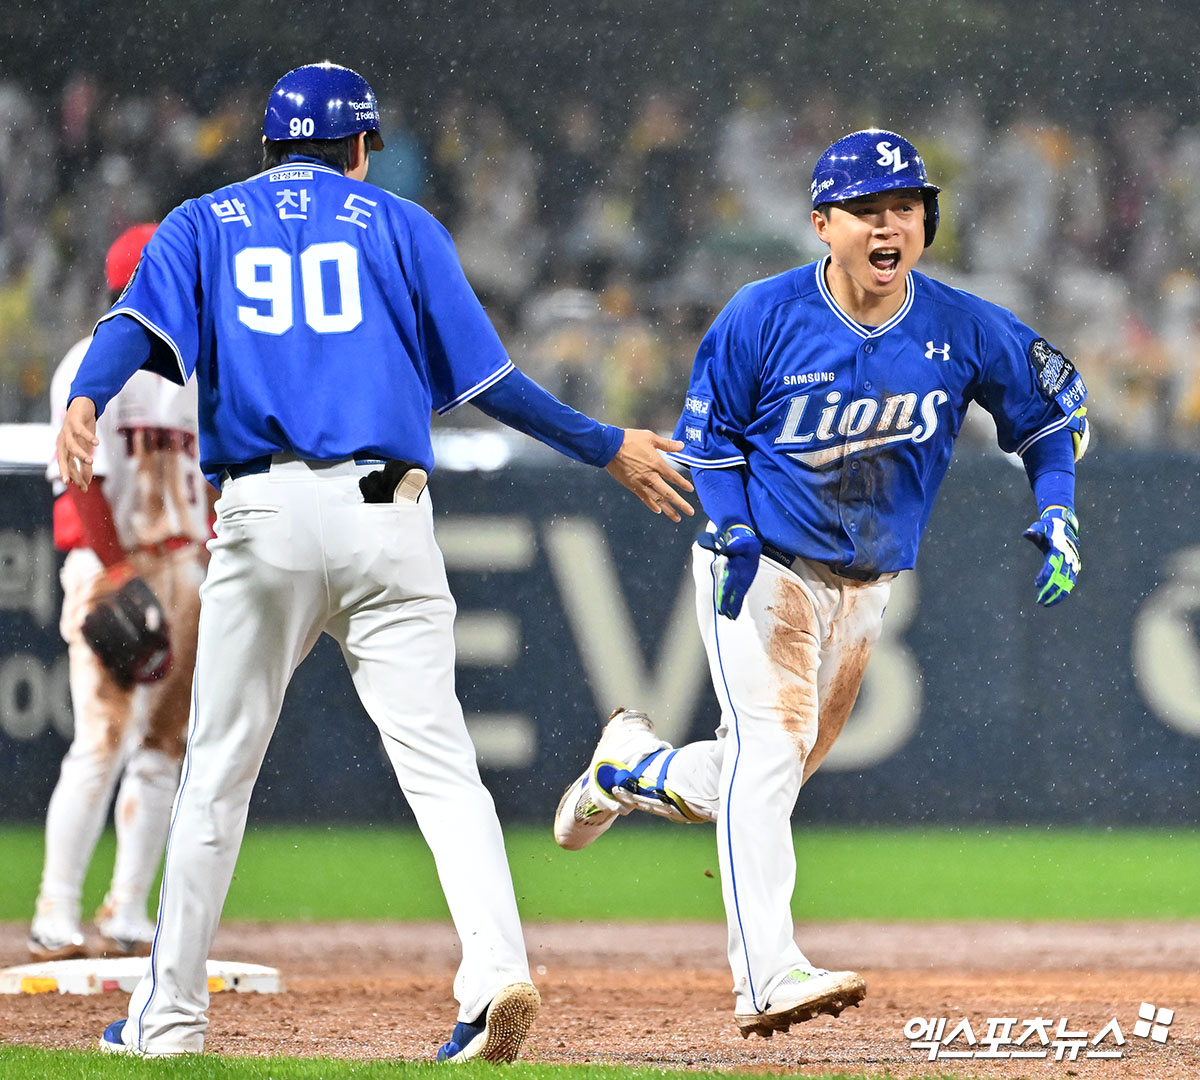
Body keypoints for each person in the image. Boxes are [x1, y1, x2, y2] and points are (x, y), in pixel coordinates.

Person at [55, 62, 693, 1062]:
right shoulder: (399, 226)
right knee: (443, 773)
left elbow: (129, 330)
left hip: (262, 516)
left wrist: (88, 398)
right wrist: (605, 443)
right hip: (386, 515)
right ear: (364, 147)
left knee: (217, 775)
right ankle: (493, 974)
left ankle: (169, 1019)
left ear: (268, 146)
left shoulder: (204, 221)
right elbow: (496, 383)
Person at [553, 129, 1087, 1039]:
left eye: (907, 209)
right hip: (761, 559)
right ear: (821, 224)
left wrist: (1060, 503)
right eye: (869, 211)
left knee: (768, 773)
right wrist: (726, 525)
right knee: (768, 758)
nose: (891, 226)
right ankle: (765, 973)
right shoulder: (761, 315)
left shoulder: (962, 325)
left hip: (865, 582)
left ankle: (631, 768)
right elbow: (711, 438)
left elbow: (1049, 415)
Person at [30, 223, 209, 963]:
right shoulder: (87, 365)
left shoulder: (196, 369)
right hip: (114, 565)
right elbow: (83, 485)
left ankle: (129, 911)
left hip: (185, 566)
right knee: (101, 741)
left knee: (165, 746)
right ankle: (54, 914)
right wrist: (115, 569)